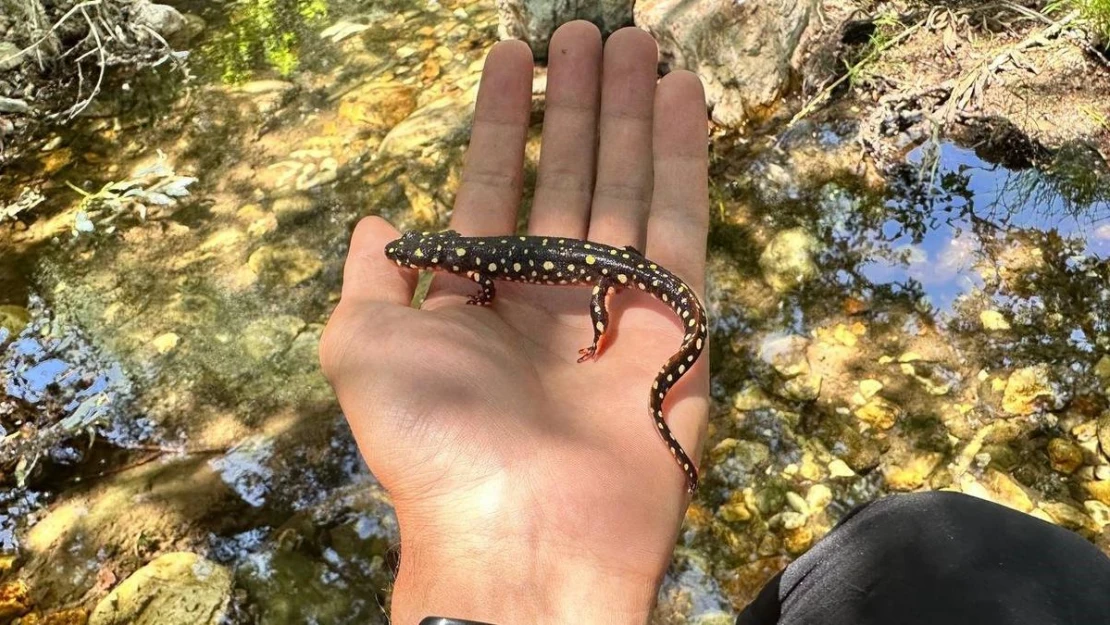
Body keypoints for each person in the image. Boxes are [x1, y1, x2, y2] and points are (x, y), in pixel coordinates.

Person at [318, 21, 1110, 625]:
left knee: (928, 543)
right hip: (613, 275)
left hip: (617, 275)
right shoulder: (476, 259)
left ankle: (632, 352)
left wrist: (597, 324)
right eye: (425, 255)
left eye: (425, 254)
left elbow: (500, 281)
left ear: (441, 255)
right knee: (933, 543)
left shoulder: (483, 264)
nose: (422, 258)